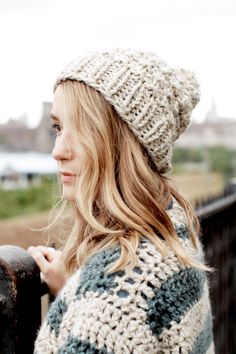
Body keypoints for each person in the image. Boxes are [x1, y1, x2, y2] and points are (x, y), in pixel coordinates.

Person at [28, 49, 215, 354]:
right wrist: (75, 293)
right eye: (58, 128)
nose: (57, 151)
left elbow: (114, 318)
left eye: (81, 128)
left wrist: (92, 300)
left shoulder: (114, 299)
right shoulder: (170, 227)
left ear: (122, 143)